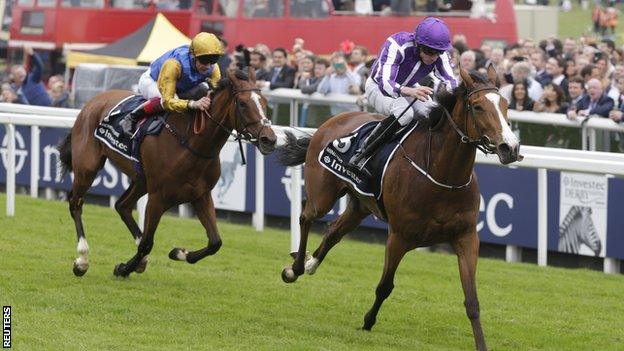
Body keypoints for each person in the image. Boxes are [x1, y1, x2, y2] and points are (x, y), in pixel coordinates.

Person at [349, 17, 457, 168]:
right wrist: (408, 91)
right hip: (377, 87)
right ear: (418, 44)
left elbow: (451, 81)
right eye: (429, 52)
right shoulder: (397, 44)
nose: (433, 57)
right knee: (405, 114)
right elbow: (384, 81)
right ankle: (362, 153)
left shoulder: (440, 55)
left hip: (410, 87)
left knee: (433, 114)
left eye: (437, 53)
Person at [120, 32, 223, 136]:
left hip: (180, 85)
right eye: (204, 60)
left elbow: (216, 94)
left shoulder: (213, 68)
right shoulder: (174, 64)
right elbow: (168, 101)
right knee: (171, 100)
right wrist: (193, 104)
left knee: (203, 90)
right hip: (153, 81)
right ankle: (131, 117)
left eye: (213, 60)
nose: (208, 66)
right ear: (193, 56)